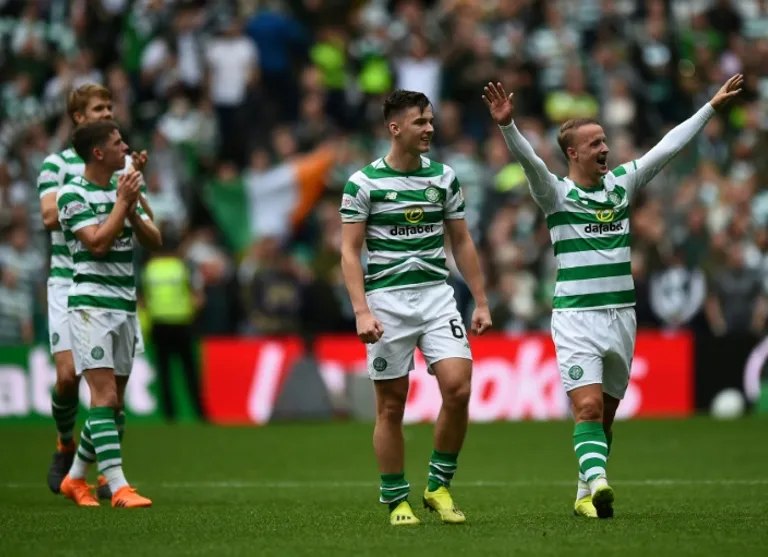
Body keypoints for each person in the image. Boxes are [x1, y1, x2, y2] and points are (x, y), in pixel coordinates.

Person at [483, 75, 743, 519]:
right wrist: (507, 126)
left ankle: (584, 493)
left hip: (622, 317)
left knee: (604, 415)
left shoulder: (622, 184)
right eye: (595, 144)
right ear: (573, 154)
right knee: (585, 407)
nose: (605, 148)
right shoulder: (556, 195)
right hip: (576, 318)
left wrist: (710, 107)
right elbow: (530, 163)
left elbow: (668, 146)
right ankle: (601, 483)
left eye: (604, 140)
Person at [339, 90, 492, 526]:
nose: (429, 128)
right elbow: (349, 252)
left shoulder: (444, 177)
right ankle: (396, 500)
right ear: (395, 128)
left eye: (430, 120)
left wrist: (481, 300)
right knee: (391, 406)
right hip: (387, 304)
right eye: (420, 122)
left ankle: (438, 486)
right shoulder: (363, 183)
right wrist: (361, 311)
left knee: (458, 388)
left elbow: (461, 241)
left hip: (436, 296)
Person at [38, 84, 153, 500]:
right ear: (78, 117)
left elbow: (148, 221)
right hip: (70, 278)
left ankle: (100, 474)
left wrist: (129, 184)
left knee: (111, 395)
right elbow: (49, 216)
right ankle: (65, 443)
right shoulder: (58, 166)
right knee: (69, 377)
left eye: (109, 106)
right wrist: (101, 195)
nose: (107, 112)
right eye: (98, 108)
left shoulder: (120, 165)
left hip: (116, 284)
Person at [142, 230, 206, 421]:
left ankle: (169, 415)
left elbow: (142, 300)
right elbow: (198, 299)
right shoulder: (183, 267)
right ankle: (200, 413)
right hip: (182, 323)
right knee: (190, 372)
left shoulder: (149, 269)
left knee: (164, 373)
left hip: (159, 324)